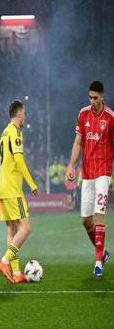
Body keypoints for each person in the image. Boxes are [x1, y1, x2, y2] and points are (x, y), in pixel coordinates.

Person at [66, 80, 113, 277]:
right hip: (87, 174)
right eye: (90, 97)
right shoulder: (83, 114)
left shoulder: (110, 118)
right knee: (86, 220)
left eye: (95, 98)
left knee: (99, 214)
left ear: (102, 96)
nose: (92, 101)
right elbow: (78, 141)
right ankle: (103, 253)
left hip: (103, 172)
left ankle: (98, 263)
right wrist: (71, 164)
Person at [0, 100, 38, 283]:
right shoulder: (15, 132)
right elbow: (19, 161)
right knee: (26, 228)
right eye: (24, 114)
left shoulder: (4, 132)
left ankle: (16, 273)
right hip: (13, 189)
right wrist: (32, 183)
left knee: (12, 230)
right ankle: (4, 261)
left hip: (3, 188)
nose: (25, 117)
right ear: (19, 114)